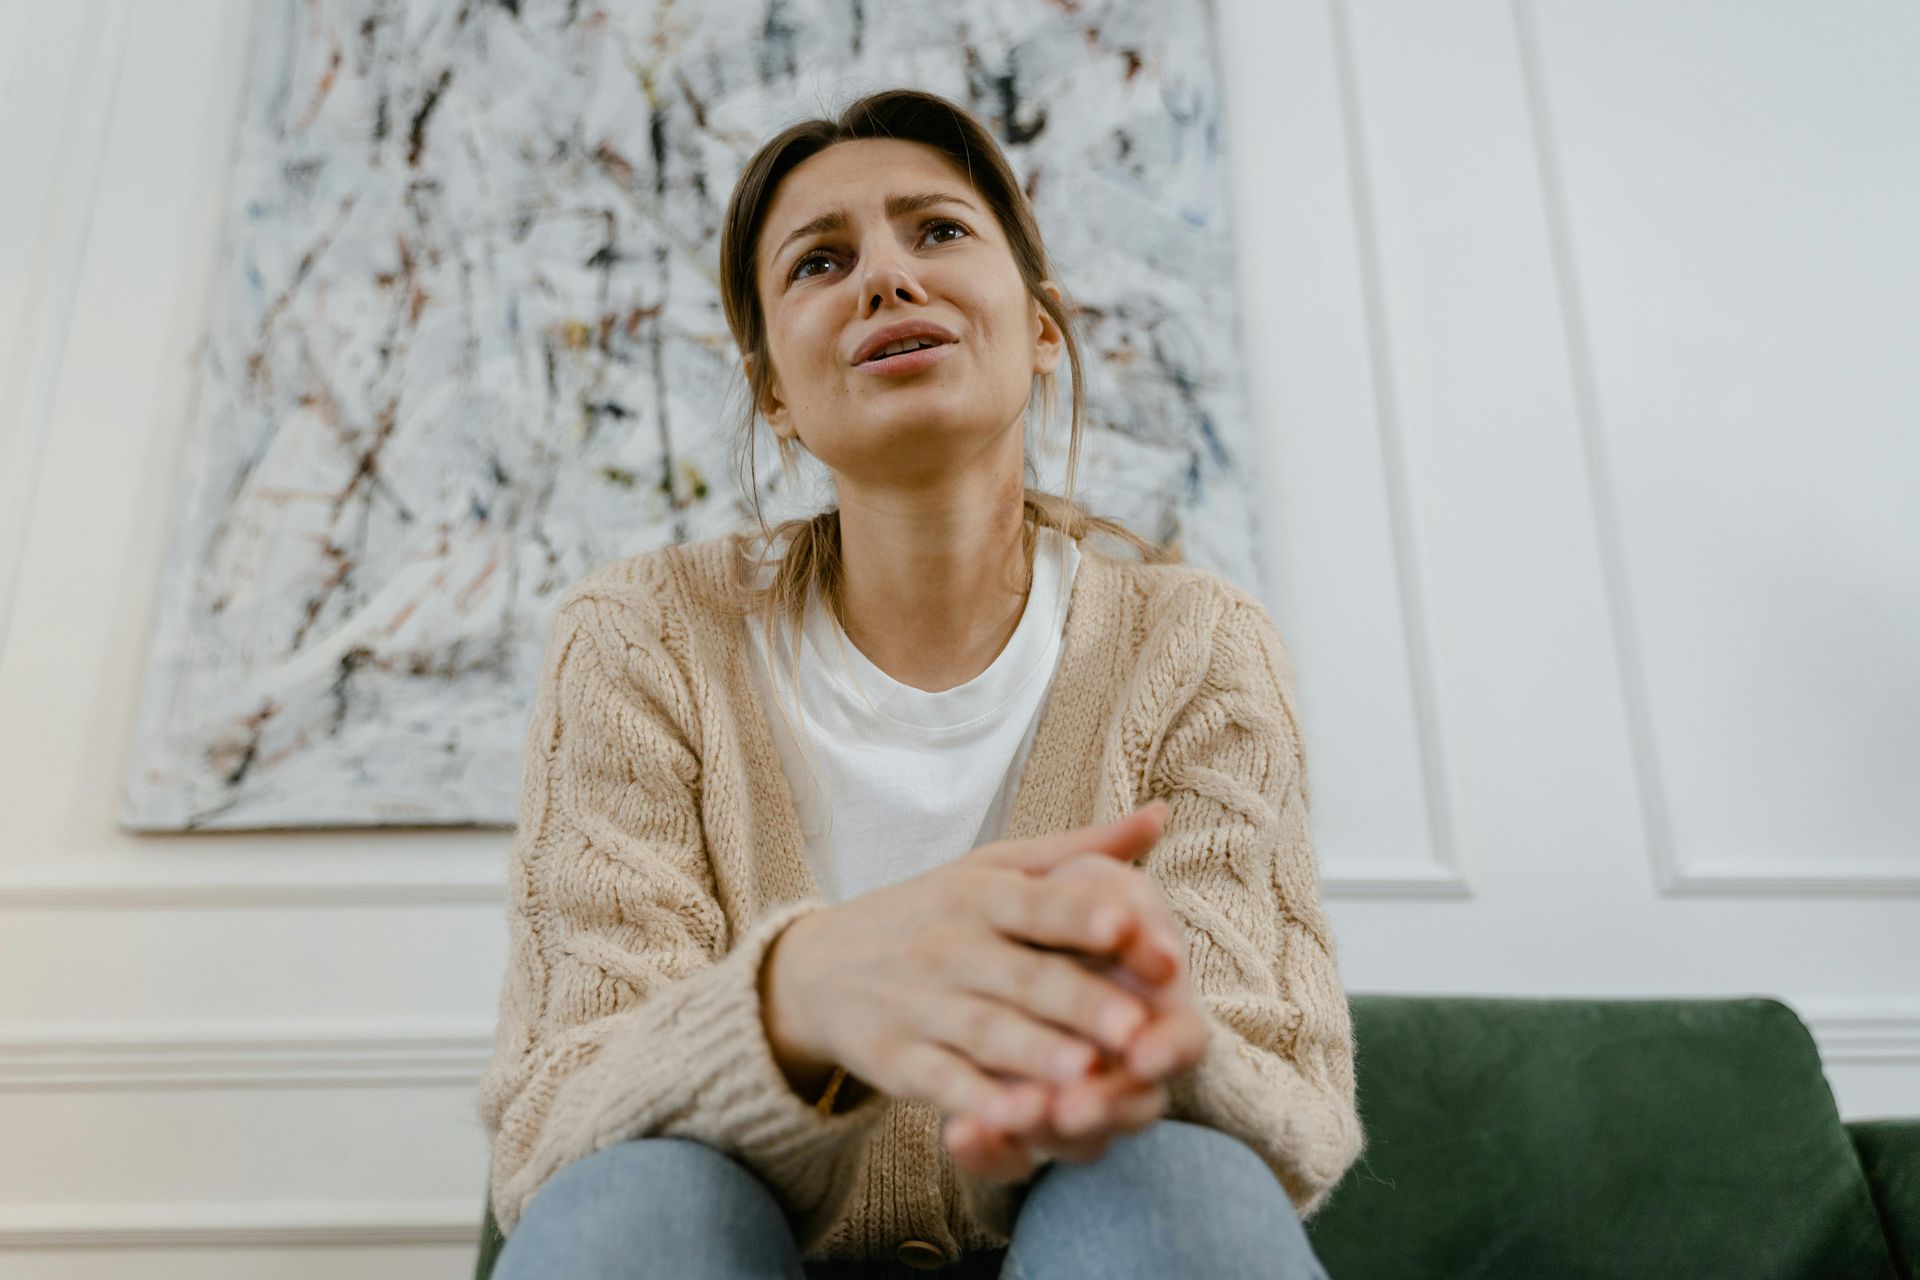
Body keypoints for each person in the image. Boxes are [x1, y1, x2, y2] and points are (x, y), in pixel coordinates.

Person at [477, 87, 1361, 1280]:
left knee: (1178, 1172)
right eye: (820, 262)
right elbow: (554, 1122)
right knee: (633, 1196)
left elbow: (1292, 1110)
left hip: (1097, 1224)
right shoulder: (637, 638)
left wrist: (1142, 1048)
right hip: (726, 1241)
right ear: (775, 396)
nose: (885, 278)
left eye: (937, 231)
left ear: (1043, 325)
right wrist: (797, 999)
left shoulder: (1199, 644)